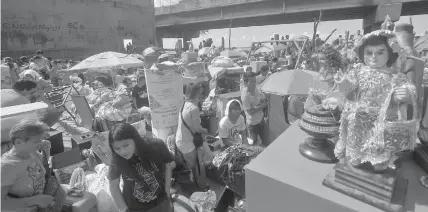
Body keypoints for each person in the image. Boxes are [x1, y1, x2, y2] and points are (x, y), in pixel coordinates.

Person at [334, 30, 416, 171]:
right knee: (355, 158)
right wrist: (342, 82)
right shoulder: (358, 71)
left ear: (389, 53)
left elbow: (408, 88)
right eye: (369, 53)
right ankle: (356, 156)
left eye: (380, 52)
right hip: (358, 120)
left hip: (382, 121)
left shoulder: (394, 75)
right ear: (362, 54)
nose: (374, 57)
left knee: (379, 158)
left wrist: (405, 94)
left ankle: (380, 160)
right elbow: (350, 91)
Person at [108, 123, 175, 212]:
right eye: (117, 148)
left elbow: (168, 166)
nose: (123, 152)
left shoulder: (156, 146)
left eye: (126, 145)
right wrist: (125, 210)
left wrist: (167, 193)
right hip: (134, 207)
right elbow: (113, 185)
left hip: (161, 199)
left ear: (135, 139)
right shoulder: (116, 159)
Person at [1, 119, 66, 212]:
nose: (41, 143)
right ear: (18, 142)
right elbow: (1, 205)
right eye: (36, 141)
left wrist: (46, 150)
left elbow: (40, 169)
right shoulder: (7, 167)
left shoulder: (31, 153)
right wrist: (34, 200)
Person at [175, 82, 209, 187]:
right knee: (194, 166)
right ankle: (198, 185)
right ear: (197, 93)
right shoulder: (194, 108)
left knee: (194, 165)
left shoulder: (185, 104)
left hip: (181, 138)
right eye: (200, 92)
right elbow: (197, 128)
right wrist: (206, 130)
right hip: (186, 142)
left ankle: (197, 183)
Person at [241, 71, 267, 146]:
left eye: (254, 81)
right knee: (253, 145)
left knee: (266, 141)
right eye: (251, 81)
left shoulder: (257, 89)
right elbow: (250, 112)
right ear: (246, 83)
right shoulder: (245, 96)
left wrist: (256, 107)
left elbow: (264, 99)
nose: (254, 83)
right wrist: (262, 105)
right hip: (252, 124)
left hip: (261, 120)